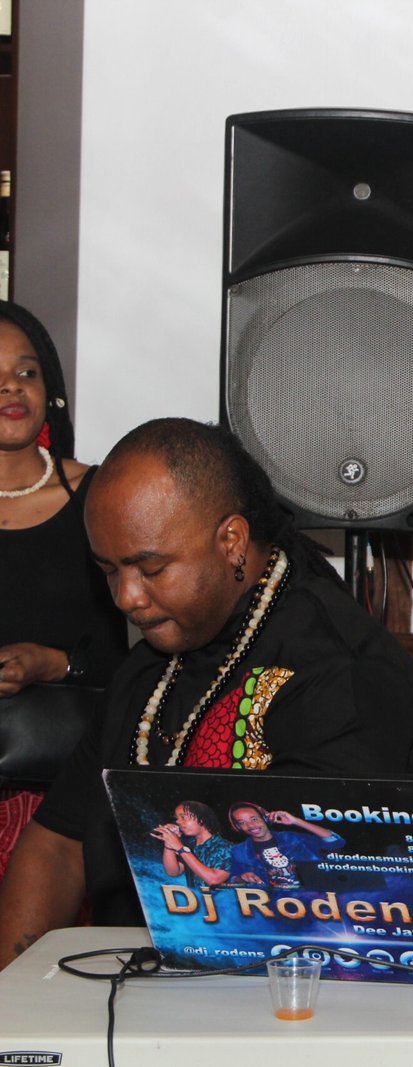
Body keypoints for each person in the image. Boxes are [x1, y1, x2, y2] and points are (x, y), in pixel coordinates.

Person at [0, 417, 413, 970]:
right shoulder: (148, 667)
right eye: (109, 571)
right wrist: (13, 997)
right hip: (139, 988)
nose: (127, 598)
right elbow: (57, 845)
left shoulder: (340, 669)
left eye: (151, 568)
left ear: (231, 541)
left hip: (292, 992)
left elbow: (323, 894)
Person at [0, 299, 128, 883]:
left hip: (62, 794)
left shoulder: (99, 497)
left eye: (26, 371)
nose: (12, 387)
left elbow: (147, 657)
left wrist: (53, 663)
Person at [225, 802, 343, 889]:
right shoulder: (238, 852)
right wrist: (241, 878)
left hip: (316, 897)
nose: (251, 825)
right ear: (238, 827)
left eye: (254, 819)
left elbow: (335, 841)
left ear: (265, 818)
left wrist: (296, 821)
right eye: (242, 823)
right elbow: (231, 879)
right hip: (276, 904)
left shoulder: (293, 838)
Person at [151, 800, 231, 889]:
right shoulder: (190, 845)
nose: (178, 821)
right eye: (177, 818)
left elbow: (214, 880)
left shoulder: (226, 847)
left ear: (202, 818)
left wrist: (179, 847)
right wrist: (169, 844)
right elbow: (173, 872)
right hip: (197, 897)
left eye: (183, 817)